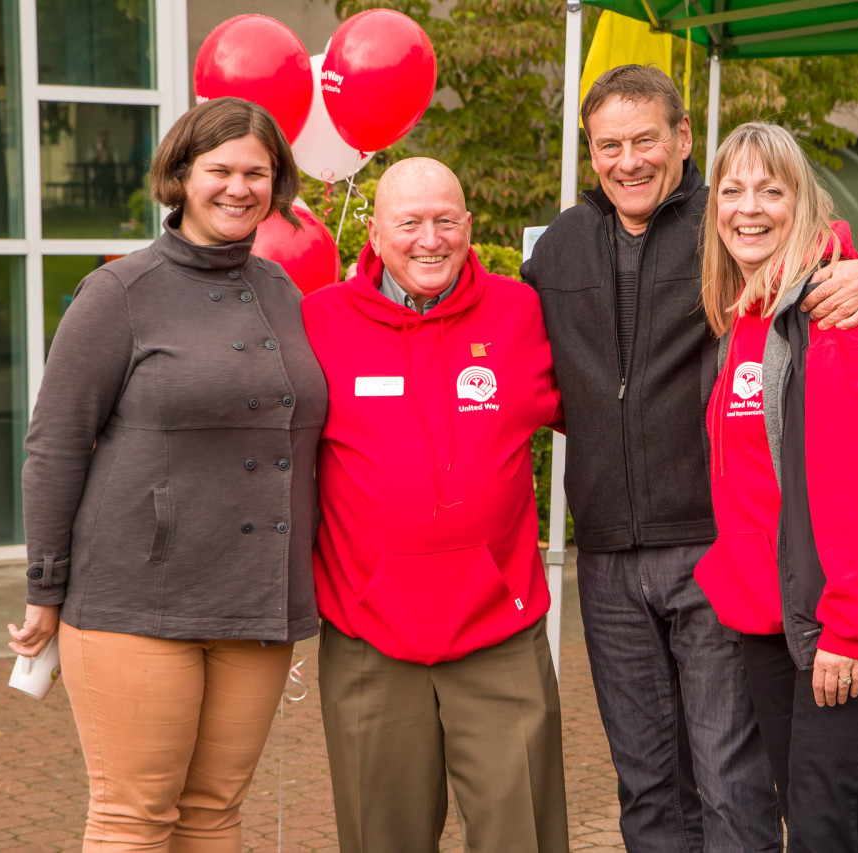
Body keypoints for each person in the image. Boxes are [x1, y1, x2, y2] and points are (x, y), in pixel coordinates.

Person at [520, 64, 858, 852]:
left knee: (730, 780)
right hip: (607, 560)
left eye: (645, 140)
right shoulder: (562, 247)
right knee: (645, 785)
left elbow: (821, 265)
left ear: (680, 138)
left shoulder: (727, 220)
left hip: (716, 551)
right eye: (609, 145)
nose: (628, 160)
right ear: (589, 151)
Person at [8, 97, 328, 850]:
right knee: (135, 816)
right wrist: (44, 588)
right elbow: (54, 445)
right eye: (219, 169)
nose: (238, 187)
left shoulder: (282, 291)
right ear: (181, 175)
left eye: (258, 172)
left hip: (255, 600)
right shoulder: (119, 293)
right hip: (136, 600)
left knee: (215, 811)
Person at [300, 157, 568, 853]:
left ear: (470, 227)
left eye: (446, 220)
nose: (430, 238)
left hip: (498, 629)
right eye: (410, 222)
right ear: (376, 233)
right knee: (379, 838)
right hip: (368, 635)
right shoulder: (317, 321)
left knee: (524, 839)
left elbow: (618, 391)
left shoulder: (521, 311)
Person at [694, 120, 858, 852]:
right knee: (818, 817)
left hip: (840, 617)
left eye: (770, 190)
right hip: (772, 613)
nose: (749, 207)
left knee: (820, 826)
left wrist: (846, 626)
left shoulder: (833, 320)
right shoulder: (748, 316)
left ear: (801, 201)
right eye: (733, 190)